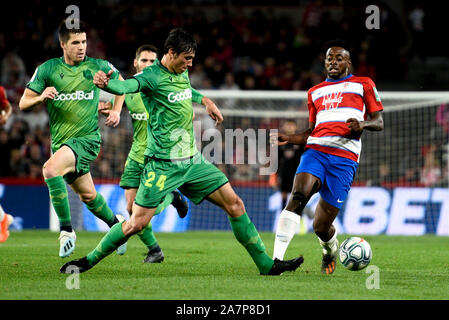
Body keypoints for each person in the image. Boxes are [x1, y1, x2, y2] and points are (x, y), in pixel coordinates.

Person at [60, 28, 304, 276]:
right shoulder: (151, 77)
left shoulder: (182, 72)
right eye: (186, 58)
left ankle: (267, 265)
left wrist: (206, 101)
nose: (190, 64)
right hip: (163, 165)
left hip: (192, 162)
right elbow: (128, 86)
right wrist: (108, 84)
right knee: (137, 222)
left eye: (192, 59)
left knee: (236, 205)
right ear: (171, 53)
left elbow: (188, 91)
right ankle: (87, 261)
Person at [271, 40, 384, 274]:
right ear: (324, 63)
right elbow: (312, 131)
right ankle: (275, 261)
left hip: (344, 160)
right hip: (316, 152)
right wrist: (290, 138)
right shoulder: (314, 92)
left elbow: (379, 122)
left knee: (321, 226)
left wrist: (362, 124)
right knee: (298, 196)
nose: (333, 62)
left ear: (348, 62)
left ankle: (329, 248)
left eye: (339, 58)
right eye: (329, 59)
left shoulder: (363, 84)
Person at [19, 19, 127, 258]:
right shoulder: (47, 70)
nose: (82, 47)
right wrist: (41, 97)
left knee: (49, 170)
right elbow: (23, 102)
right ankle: (118, 227)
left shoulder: (98, 66)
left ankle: (67, 232)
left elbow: (123, 85)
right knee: (88, 196)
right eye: (76, 42)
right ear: (63, 45)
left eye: (84, 41)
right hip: (62, 143)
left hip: (87, 140)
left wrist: (117, 109)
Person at [99, 44, 189, 263]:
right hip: (136, 155)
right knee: (130, 208)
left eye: (152, 61)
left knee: (141, 210)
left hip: (156, 157)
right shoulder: (130, 88)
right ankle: (155, 250)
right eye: (144, 61)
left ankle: (172, 197)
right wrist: (110, 109)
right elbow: (117, 95)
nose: (148, 65)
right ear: (136, 63)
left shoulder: (162, 87)